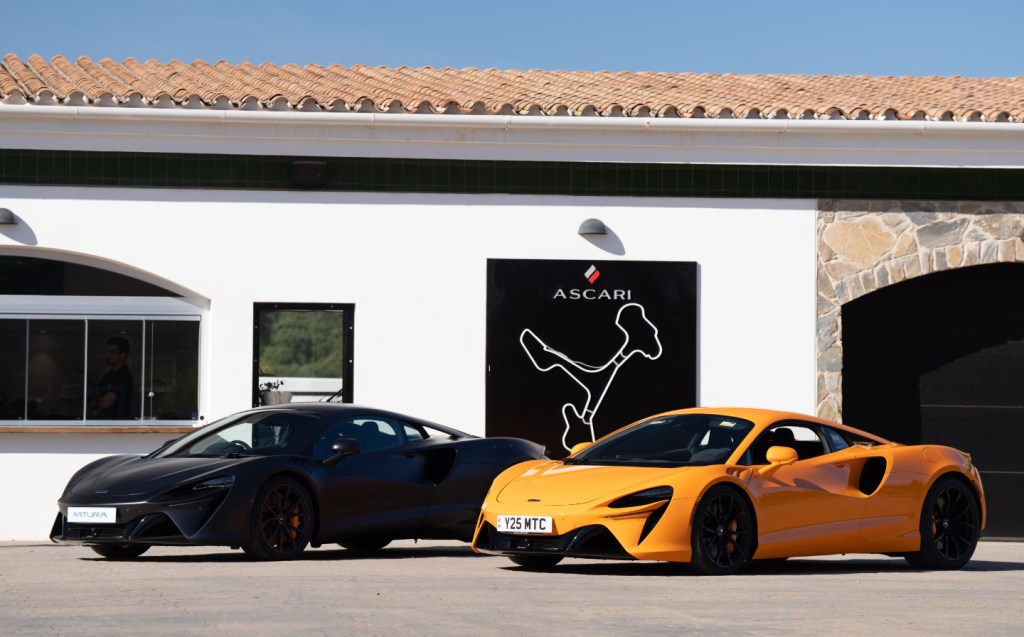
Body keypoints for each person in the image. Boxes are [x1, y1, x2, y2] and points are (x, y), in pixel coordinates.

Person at [89, 336, 135, 420]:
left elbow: (105, 403)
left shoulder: (123, 376)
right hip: (105, 422)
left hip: (118, 424)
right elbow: (92, 401)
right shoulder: (108, 375)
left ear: (123, 355)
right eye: (106, 352)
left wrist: (97, 400)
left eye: (112, 352)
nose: (107, 355)